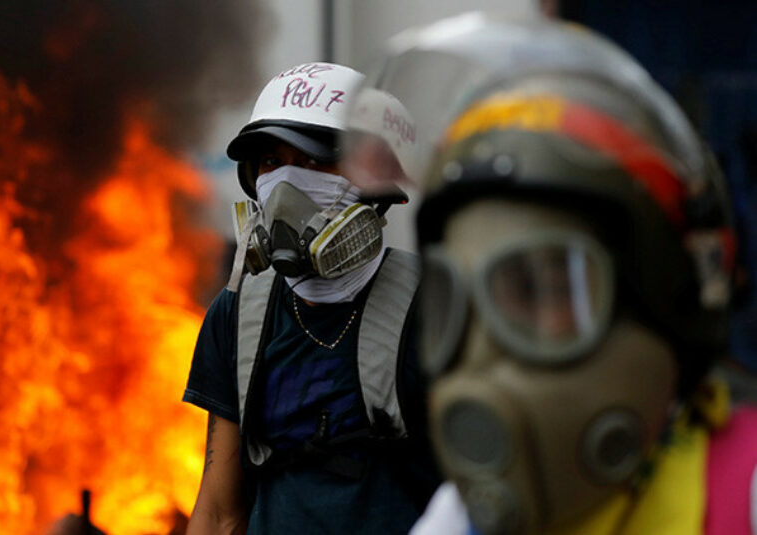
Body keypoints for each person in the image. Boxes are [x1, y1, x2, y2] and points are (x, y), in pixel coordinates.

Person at [342, 14, 757, 535]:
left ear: (669, 309)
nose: (480, 351)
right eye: (455, 305)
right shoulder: (455, 521)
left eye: (542, 288)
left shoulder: (744, 492)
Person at [182, 61, 441, 534]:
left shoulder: (435, 309)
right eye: (270, 162)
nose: (285, 182)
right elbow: (220, 513)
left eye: (313, 161)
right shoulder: (238, 315)